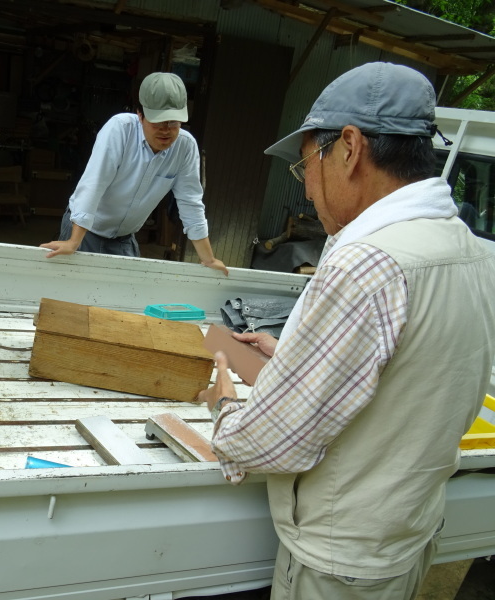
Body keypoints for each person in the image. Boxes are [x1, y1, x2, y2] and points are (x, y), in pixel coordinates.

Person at [198, 62, 495, 600]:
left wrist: (224, 405)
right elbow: (411, 372)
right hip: (406, 536)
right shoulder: (472, 251)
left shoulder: (368, 263)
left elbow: (273, 442)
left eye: (306, 165)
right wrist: (295, 357)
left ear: (350, 148)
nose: (307, 189)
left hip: (339, 561)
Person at [40, 72, 228, 275]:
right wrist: (73, 242)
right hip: (84, 231)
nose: (166, 130)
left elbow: (191, 203)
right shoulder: (120, 129)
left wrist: (208, 259)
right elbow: (94, 184)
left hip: (124, 237)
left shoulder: (186, 147)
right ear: (140, 114)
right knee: (73, 296)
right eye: (158, 121)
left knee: (121, 300)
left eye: (173, 122)